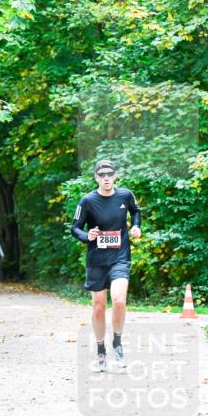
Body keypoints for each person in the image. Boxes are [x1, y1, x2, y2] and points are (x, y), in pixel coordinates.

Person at [70, 159, 141, 371]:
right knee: (99, 306)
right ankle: (101, 352)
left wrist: (136, 226)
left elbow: (136, 211)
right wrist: (87, 235)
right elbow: (75, 228)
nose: (106, 178)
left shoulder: (125, 195)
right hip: (96, 260)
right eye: (102, 175)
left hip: (120, 257)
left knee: (119, 301)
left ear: (115, 175)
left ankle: (117, 344)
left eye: (110, 174)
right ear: (96, 178)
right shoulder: (87, 201)